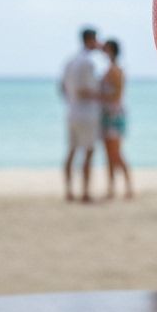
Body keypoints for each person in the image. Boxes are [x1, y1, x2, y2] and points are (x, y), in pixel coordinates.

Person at [60, 27, 101, 202]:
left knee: (71, 151)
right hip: (87, 113)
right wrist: (106, 97)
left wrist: (71, 99)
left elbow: (62, 88)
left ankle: (69, 191)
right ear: (90, 40)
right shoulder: (88, 63)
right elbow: (87, 90)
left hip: (71, 112)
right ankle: (85, 192)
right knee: (89, 152)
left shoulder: (70, 61)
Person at [100, 38, 133, 200]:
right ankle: (112, 188)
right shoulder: (111, 69)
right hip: (108, 114)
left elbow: (117, 95)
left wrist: (95, 96)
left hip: (114, 114)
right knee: (109, 154)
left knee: (116, 153)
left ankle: (128, 186)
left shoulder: (116, 70)